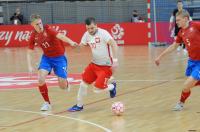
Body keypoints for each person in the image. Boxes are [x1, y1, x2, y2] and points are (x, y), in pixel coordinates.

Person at [27, 14, 77, 111]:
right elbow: (29, 52)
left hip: (59, 58)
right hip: (47, 58)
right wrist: (29, 66)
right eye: (37, 24)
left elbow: (61, 36)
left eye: (40, 23)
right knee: (40, 78)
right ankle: (47, 103)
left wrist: (71, 42)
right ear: (32, 25)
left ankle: (65, 83)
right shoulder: (33, 35)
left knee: (62, 86)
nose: (40, 25)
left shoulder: (48, 29)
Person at [68, 17, 119, 112]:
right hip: (94, 64)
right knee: (83, 84)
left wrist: (115, 61)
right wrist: (75, 46)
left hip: (106, 67)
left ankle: (112, 87)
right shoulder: (86, 35)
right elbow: (80, 48)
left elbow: (114, 44)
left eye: (92, 28)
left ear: (96, 25)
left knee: (97, 89)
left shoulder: (103, 33)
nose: (90, 30)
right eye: (88, 28)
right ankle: (79, 106)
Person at [155, 10, 200, 111]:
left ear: (186, 19)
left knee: (186, 84)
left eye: (178, 20)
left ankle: (180, 103)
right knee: (186, 88)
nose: (176, 22)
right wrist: (160, 56)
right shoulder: (181, 32)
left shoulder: (196, 25)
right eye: (176, 20)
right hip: (192, 61)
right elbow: (174, 46)